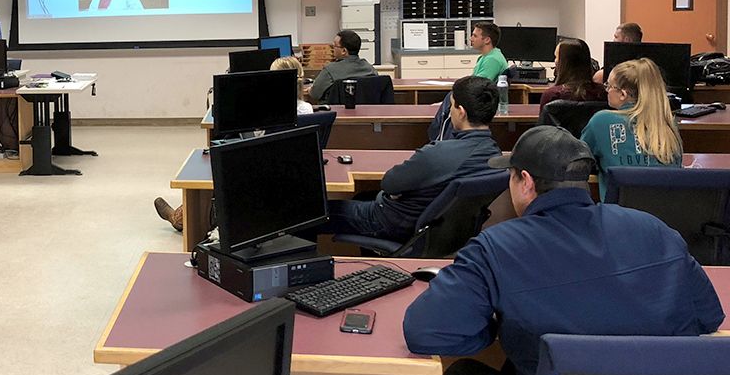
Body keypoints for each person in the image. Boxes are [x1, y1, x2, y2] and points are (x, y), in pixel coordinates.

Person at [403, 126, 722, 375]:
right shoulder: (654, 228)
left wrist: (496, 328)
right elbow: (709, 317)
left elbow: (425, 333)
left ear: (525, 181)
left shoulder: (496, 248)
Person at [301, 76, 501, 243]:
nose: (449, 111)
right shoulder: (495, 156)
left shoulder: (437, 154)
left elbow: (389, 183)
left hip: (393, 222)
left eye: (451, 106)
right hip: (438, 230)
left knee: (308, 214)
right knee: (363, 197)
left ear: (461, 112)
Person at [153, 56, 314, 232]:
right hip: (293, 173)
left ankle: (179, 218)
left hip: (259, 173)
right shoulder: (306, 109)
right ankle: (180, 215)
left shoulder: (267, 111)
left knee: (216, 167)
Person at [580, 58, 682, 199]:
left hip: (619, 217)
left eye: (609, 86)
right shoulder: (668, 125)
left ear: (623, 94)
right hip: (663, 217)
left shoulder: (601, 121)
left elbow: (578, 161)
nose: (607, 90)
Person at [309, 30, 378, 104]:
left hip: (336, 113)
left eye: (334, 46)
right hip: (365, 112)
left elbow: (315, 94)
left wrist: (310, 89)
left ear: (344, 51)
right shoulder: (370, 69)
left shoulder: (330, 70)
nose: (333, 49)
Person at [539, 39, 604, 108]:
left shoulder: (551, 95)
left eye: (556, 57)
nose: (555, 61)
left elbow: (544, 118)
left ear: (563, 63)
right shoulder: (602, 94)